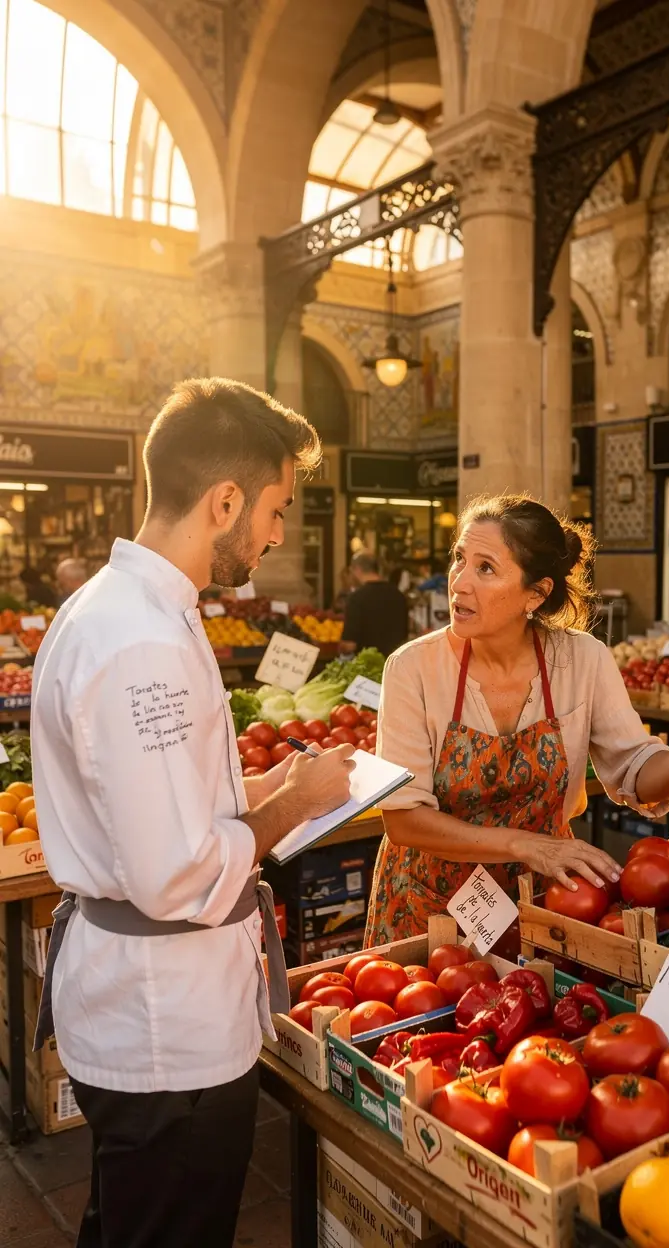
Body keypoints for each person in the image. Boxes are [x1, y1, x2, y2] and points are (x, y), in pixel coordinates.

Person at [31, 378, 356, 1248]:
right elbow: (175, 867)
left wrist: (257, 787)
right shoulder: (140, 641)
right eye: (277, 508)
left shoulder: (124, 609)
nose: (278, 533)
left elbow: (152, 800)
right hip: (162, 1029)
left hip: (147, 1010)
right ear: (224, 501)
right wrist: (298, 801)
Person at [365, 494, 669, 943]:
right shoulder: (413, 668)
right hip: (426, 905)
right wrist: (525, 844)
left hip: (547, 902)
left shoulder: (581, 659)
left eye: (485, 568)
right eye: (459, 559)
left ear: (537, 592)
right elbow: (403, 819)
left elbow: (636, 772)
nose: (459, 582)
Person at [340, 551, 410, 657]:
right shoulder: (398, 595)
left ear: (357, 569)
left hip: (367, 666)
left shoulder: (356, 598)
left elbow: (350, 645)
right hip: (395, 664)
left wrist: (340, 647)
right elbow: (405, 635)